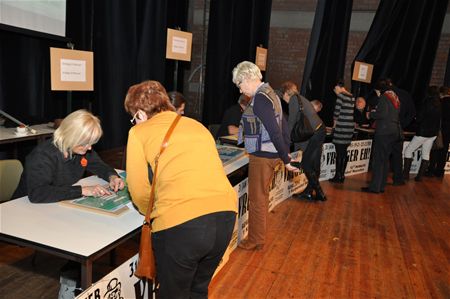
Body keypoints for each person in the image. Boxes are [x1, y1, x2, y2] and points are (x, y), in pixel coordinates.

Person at [124, 80, 237, 298]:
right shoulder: (197, 125)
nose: (135, 122)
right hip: (225, 216)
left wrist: (154, 211)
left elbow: (138, 189)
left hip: (182, 224)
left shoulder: (139, 133)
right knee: (198, 290)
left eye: (133, 118)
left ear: (139, 114)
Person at [233, 62, 299, 251]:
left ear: (248, 78)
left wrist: (286, 159)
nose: (240, 89)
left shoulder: (260, 99)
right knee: (260, 197)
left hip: (262, 156)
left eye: (240, 84)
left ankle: (255, 239)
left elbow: (274, 130)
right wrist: (284, 151)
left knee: (256, 199)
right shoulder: (271, 93)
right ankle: (257, 237)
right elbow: (283, 125)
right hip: (270, 153)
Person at [12, 109, 125, 202]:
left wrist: (112, 176)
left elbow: (100, 166)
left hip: (55, 204)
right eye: (85, 143)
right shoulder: (42, 155)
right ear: (70, 136)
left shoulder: (81, 150)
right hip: (22, 206)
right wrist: (82, 190)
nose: (90, 148)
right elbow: (38, 193)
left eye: (91, 143)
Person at [284, 81, 327, 201]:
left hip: (315, 133)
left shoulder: (293, 99)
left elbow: (291, 122)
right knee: (313, 164)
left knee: (307, 164)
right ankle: (309, 192)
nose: (284, 99)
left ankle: (319, 192)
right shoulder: (301, 98)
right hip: (320, 130)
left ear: (287, 93)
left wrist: (286, 141)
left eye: (284, 96)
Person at [362, 79, 402, 193]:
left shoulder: (384, 96)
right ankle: (381, 186)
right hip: (393, 131)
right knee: (385, 160)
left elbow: (382, 113)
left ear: (379, 89)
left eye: (377, 92)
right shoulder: (394, 96)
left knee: (378, 160)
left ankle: (374, 188)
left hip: (384, 131)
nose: (377, 94)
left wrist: (371, 114)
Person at [402, 86, 442, 181]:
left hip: (423, 132)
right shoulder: (439, 104)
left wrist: (416, 118)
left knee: (408, 151)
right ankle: (419, 177)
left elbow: (419, 118)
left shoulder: (426, 103)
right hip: (433, 134)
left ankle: (405, 175)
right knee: (426, 154)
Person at [330, 81, 355, 183]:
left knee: (339, 152)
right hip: (349, 128)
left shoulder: (341, 96)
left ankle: (337, 176)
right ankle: (342, 175)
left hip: (341, 128)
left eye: (335, 90)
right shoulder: (352, 97)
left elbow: (336, 113)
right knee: (344, 152)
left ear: (338, 87)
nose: (335, 92)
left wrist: (333, 127)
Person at [427, 86, 450, 177]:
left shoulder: (440, 103)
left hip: (440, 129)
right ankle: (440, 171)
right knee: (444, 151)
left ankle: (431, 170)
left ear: (441, 94)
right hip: (449, 130)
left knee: (435, 149)